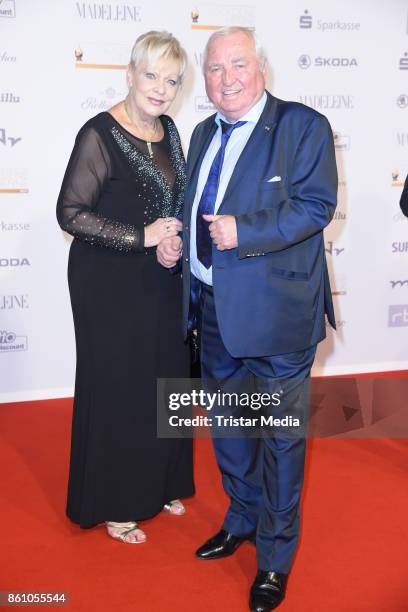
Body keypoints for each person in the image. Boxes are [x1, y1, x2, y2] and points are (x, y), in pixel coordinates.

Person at [157, 27, 337, 611]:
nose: (226, 78)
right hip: (212, 313)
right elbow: (197, 207)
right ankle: (242, 519)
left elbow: (315, 205)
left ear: (260, 67)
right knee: (231, 434)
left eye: (238, 64)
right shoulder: (203, 131)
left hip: (279, 318)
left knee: (282, 443)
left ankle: (276, 560)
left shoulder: (302, 126)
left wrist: (245, 232)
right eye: (214, 68)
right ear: (203, 78)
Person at [57, 31, 194, 544]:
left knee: (166, 379)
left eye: (172, 80)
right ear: (131, 74)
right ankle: (116, 501)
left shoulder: (171, 130)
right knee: (120, 386)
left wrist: (169, 240)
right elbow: (69, 213)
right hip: (107, 281)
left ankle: (162, 481)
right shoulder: (99, 132)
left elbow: (170, 204)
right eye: (153, 75)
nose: (161, 88)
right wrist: (141, 236)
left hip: (159, 276)